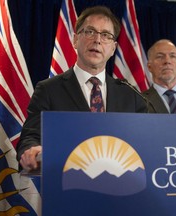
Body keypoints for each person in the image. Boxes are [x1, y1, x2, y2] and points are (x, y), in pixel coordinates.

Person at [16, 6, 147, 172]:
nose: (97, 40)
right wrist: (31, 150)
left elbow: (144, 142)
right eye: (90, 32)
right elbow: (31, 136)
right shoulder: (49, 90)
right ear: (75, 40)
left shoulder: (131, 95)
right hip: (67, 183)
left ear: (113, 48)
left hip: (121, 186)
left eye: (105, 35)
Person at [142, 39, 176, 113]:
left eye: (172, 56)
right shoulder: (141, 101)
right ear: (149, 67)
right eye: (160, 57)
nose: (167, 61)